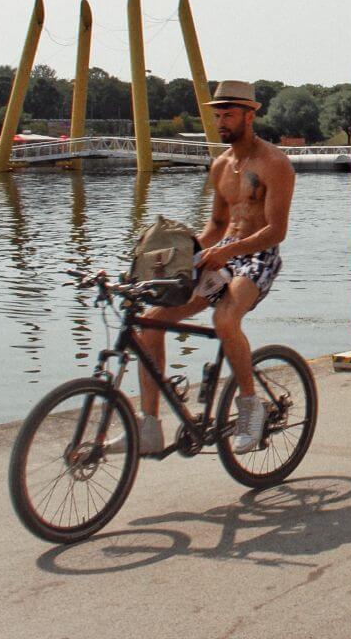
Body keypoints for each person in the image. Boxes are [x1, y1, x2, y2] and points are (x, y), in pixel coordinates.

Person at [120, 80, 296, 456]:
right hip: (221, 254)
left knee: (225, 320)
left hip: (258, 256)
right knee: (151, 324)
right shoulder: (220, 166)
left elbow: (276, 230)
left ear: (251, 115)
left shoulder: (274, 164)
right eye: (218, 114)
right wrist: (180, 258)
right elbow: (216, 227)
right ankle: (149, 427)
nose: (221, 121)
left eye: (229, 113)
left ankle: (250, 408)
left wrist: (228, 251)